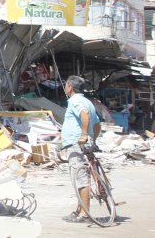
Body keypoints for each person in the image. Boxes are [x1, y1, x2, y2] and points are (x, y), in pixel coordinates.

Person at [62, 75, 101, 223]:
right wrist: (93, 139)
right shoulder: (86, 101)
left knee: (80, 178)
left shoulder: (75, 101)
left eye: (66, 85)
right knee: (80, 177)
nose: (65, 87)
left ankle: (85, 214)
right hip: (84, 143)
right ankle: (80, 210)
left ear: (70, 86)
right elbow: (97, 124)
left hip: (76, 143)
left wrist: (84, 135)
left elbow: (84, 114)